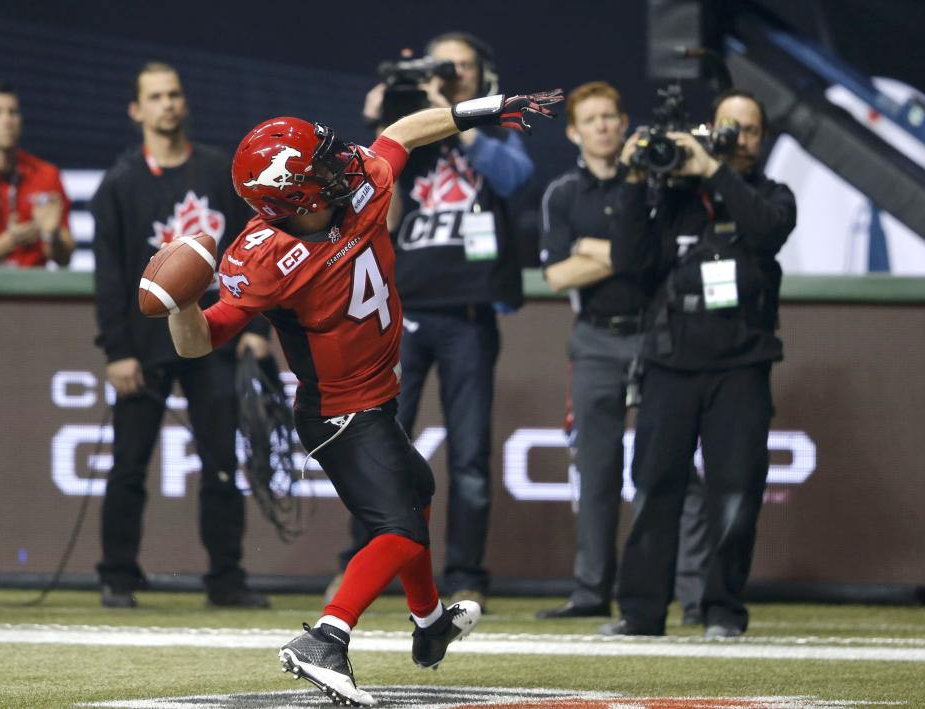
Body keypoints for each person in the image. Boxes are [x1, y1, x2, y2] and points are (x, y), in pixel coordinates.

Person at [165, 89, 561, 705]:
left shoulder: (362, 189)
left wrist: (480, 109)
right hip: (337, 411)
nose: (340, 165)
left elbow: (402, 131)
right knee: (400, 527)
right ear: (292, 195)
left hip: (375, 399)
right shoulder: (264, 258)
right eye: (322, 166)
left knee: (418, 494)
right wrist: (180, 304)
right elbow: (200, 342)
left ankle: (429, 623)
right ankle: (327, 636)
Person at [330, 32, 535, 612]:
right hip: (403, 311)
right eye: (442, 68)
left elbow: (515, 180)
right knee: (377, 445)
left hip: (469, 312)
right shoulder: (405, 133)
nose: (451, 76)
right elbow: (366, 205)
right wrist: (387, 122)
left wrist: (452, 117)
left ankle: (467, 573)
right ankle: (361, 564)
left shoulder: (496, 126)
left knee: (469, 453)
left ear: (482, 74)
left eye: (462, 67)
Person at [601, 90, 796, 638]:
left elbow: (764, 230)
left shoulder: (772, 194)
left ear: (761, 139)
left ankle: (722, 610)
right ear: (710, 128)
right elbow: (628, 260)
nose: (739, 136)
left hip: (741, 366)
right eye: (729, 126)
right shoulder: (676, 198)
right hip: (669, 363)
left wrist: (713, 169)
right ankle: (641, 612)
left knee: (735, 491)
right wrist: (636, 181)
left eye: (751, 129)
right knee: (655, 486)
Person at [92, 62, 270, 609]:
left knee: (221, 463)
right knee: (128, 466)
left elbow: (254, 251)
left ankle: (226, 579)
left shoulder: (220, 172)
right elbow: (110, 276)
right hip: (142, 351)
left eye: (174, 94)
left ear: (184, 103)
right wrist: (116, 351)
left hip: (212, 339)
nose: (167, 104)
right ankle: (118, 577)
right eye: (155, 96)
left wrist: (253, 326)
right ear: (136, 110)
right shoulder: (119, 185)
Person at [535, 82, 709, 622]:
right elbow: (556, 274)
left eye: (611, 116)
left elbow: (662, 261)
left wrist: (592, 249)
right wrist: (627, 254)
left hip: (658, 334)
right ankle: (591, 592)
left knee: (674, 468)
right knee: (597, 470)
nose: (604, 126)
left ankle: (696, 595)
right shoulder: (563, 193)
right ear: (574, 131)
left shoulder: (659, 184)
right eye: (592, 119)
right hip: (594, 337)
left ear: (625, 121)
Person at [0, 80, 75, 267]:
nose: (6, 120)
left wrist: (51, 235)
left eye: (13, 112)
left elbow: (64, 258)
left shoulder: (46, 174)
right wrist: (9, 241)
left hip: (34, 291)